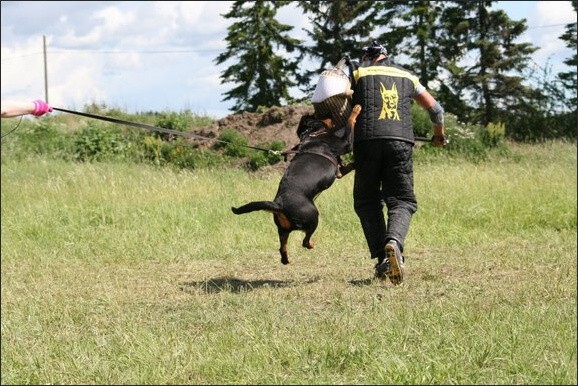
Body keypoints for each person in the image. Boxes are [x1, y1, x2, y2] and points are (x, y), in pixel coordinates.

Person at [348, 41, 447, 285]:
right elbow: (436, 111)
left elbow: (339, 107)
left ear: (368, 57)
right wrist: (438, 135)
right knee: (402, 200)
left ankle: (383, 257)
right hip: (401, 142)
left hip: (366, 142)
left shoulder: (357, 73)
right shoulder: (408, 76)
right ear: (385, 56)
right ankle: (394, 243)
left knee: (366, 201)